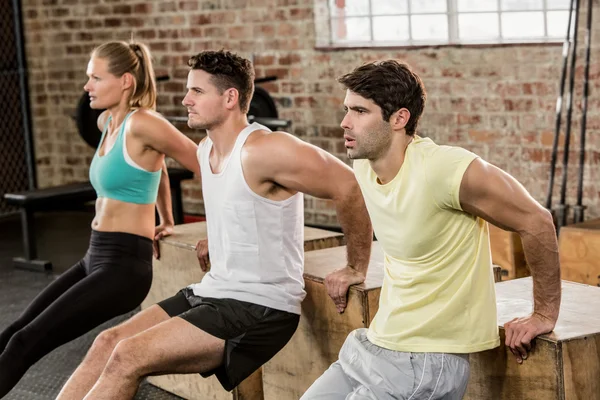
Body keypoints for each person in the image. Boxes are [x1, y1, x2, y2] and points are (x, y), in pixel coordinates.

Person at [56, 50, 373, 400]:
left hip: (260, 307)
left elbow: (349, 186)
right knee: (108, 342)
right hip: (214, 291)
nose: (185, 99)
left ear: (230, 98)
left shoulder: (267, 149)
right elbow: (241, 202)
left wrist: (355, 265)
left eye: (197, 91)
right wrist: (218, 236)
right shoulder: (206, 149)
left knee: (128, 356)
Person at [301, 60, 562, 399]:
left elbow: (537, 221)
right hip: (373, 345)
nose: (345, 122)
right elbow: (354, 200)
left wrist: (543, 312)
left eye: (360, 111)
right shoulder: (365, 167)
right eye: (347, 109)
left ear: (399, 118)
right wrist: (356, 266)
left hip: (425, 362)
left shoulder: (444, 169)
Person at [0, 41, 200, 398]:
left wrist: (211, 228)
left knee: (25, 342)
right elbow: (158, 168)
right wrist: (168, 217)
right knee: (15, 330)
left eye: (95, 77)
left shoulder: (145, 123)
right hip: (95, 256)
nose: (86, 86)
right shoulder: (108, 121)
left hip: (123, 268)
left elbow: (202, 162)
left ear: (125, 81)